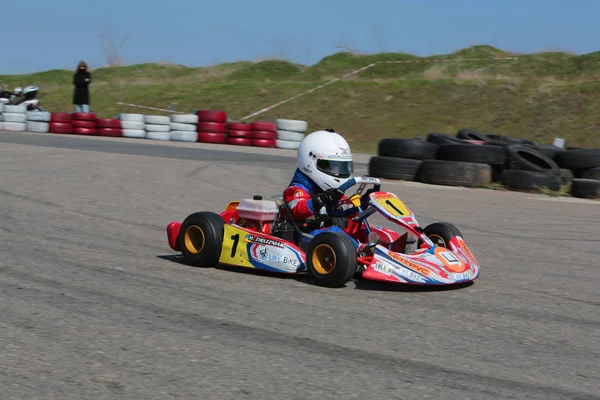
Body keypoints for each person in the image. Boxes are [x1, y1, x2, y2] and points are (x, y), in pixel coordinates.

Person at [283, 128, 370, 249]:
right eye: (333, 167)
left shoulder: (330, 192)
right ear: (310, 163)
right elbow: (298, 210)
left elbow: (342, 209)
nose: (337, 173)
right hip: (305, 238)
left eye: (341, 168)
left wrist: (362, 203)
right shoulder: (297, 189)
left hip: (327, 239)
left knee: (362, 228)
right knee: (335, 233)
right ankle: (362, 251)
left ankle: (389, 249)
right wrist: (322, 200)